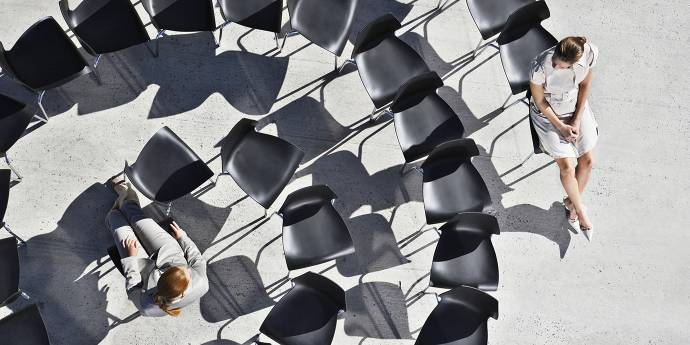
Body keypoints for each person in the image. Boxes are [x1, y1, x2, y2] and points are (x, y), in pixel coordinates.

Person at [529, 36, 599, 241]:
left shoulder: (587, 56)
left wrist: (577, 119)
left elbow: (585, 84)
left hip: (575, 107)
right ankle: (581, 215)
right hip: (549, 115)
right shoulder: (540, 66)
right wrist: (561, 126)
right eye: (554, 59)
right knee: (567, 167)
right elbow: (540, 101)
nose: (554, 64)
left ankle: (571, 204)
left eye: (558, 64)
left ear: (573, 64)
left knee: (587, 161)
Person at [105, 177, 208, 316]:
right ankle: (124, 193)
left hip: (140, 267)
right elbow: (196, 259)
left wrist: (130, 259)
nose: (188, 268)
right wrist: (183, 237)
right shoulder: (202, 283)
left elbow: (132, 290)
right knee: (132, 213)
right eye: (186, 269)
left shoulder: (147, 307)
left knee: (114, 217)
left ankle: (119, 206)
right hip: (168, 251)